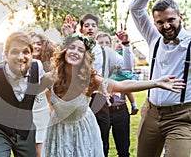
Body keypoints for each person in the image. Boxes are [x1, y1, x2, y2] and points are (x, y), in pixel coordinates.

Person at [38, 33, 183, 157]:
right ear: (64, 51)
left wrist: (156, 83)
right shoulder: (50, 78)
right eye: (72, 47)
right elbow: (30, 92)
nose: (75, 51)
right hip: (57, 130)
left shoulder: (91, 80)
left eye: (81, 50)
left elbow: (122, 85)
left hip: (82, 131)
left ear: (86, 56)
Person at [129, 0, 191, 157]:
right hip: (151, 113)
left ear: (180, 17)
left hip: (181, 117)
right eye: (160, 22)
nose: (166, 26)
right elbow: (135, 9)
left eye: (170, 20)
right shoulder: (153, 38)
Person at [62, 13, 133, 156]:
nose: (90, 28)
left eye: (93, 26)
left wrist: (126, 45)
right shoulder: (75, 46)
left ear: (97, 29)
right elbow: (62, 63)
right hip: (76, 99)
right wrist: (67, 36)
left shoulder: (105, 52)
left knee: (101, 141)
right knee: (76, 140)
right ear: (80, 29)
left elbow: (127, 68)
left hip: (98, 100)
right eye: (86, 25)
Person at [96, 31, 138, 157]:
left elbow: (128, 68)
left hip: (120, 110)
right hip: (102, 110)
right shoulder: (94, 63)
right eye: (101, 43)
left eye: (107, 43)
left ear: (111, 44)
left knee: (123, 147)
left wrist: (126, 45)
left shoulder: (116, 60)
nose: (104, 45)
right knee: (102, 146)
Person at [30, 32, 54, 157]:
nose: (35, 46)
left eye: (38, 44)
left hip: (43, 109)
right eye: (32, 43)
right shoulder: (21, 64)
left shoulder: (48, 66)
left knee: (41, 150)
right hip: (27, 111)